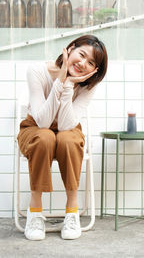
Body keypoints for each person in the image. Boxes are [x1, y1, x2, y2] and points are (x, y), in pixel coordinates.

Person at [17, 34, 108, 241]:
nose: (83, 63)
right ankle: (35, 212)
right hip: (35, 128)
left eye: (91, 62)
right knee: (45, 137)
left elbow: (67, 125)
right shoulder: (37, 71)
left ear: (94, 70)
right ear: (70, 49)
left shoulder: (87, 86)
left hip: (68, 130)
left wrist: (69, 86)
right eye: (81, 54)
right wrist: (61, 79)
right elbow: (42, 122)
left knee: (67, 139)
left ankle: (71, 212)